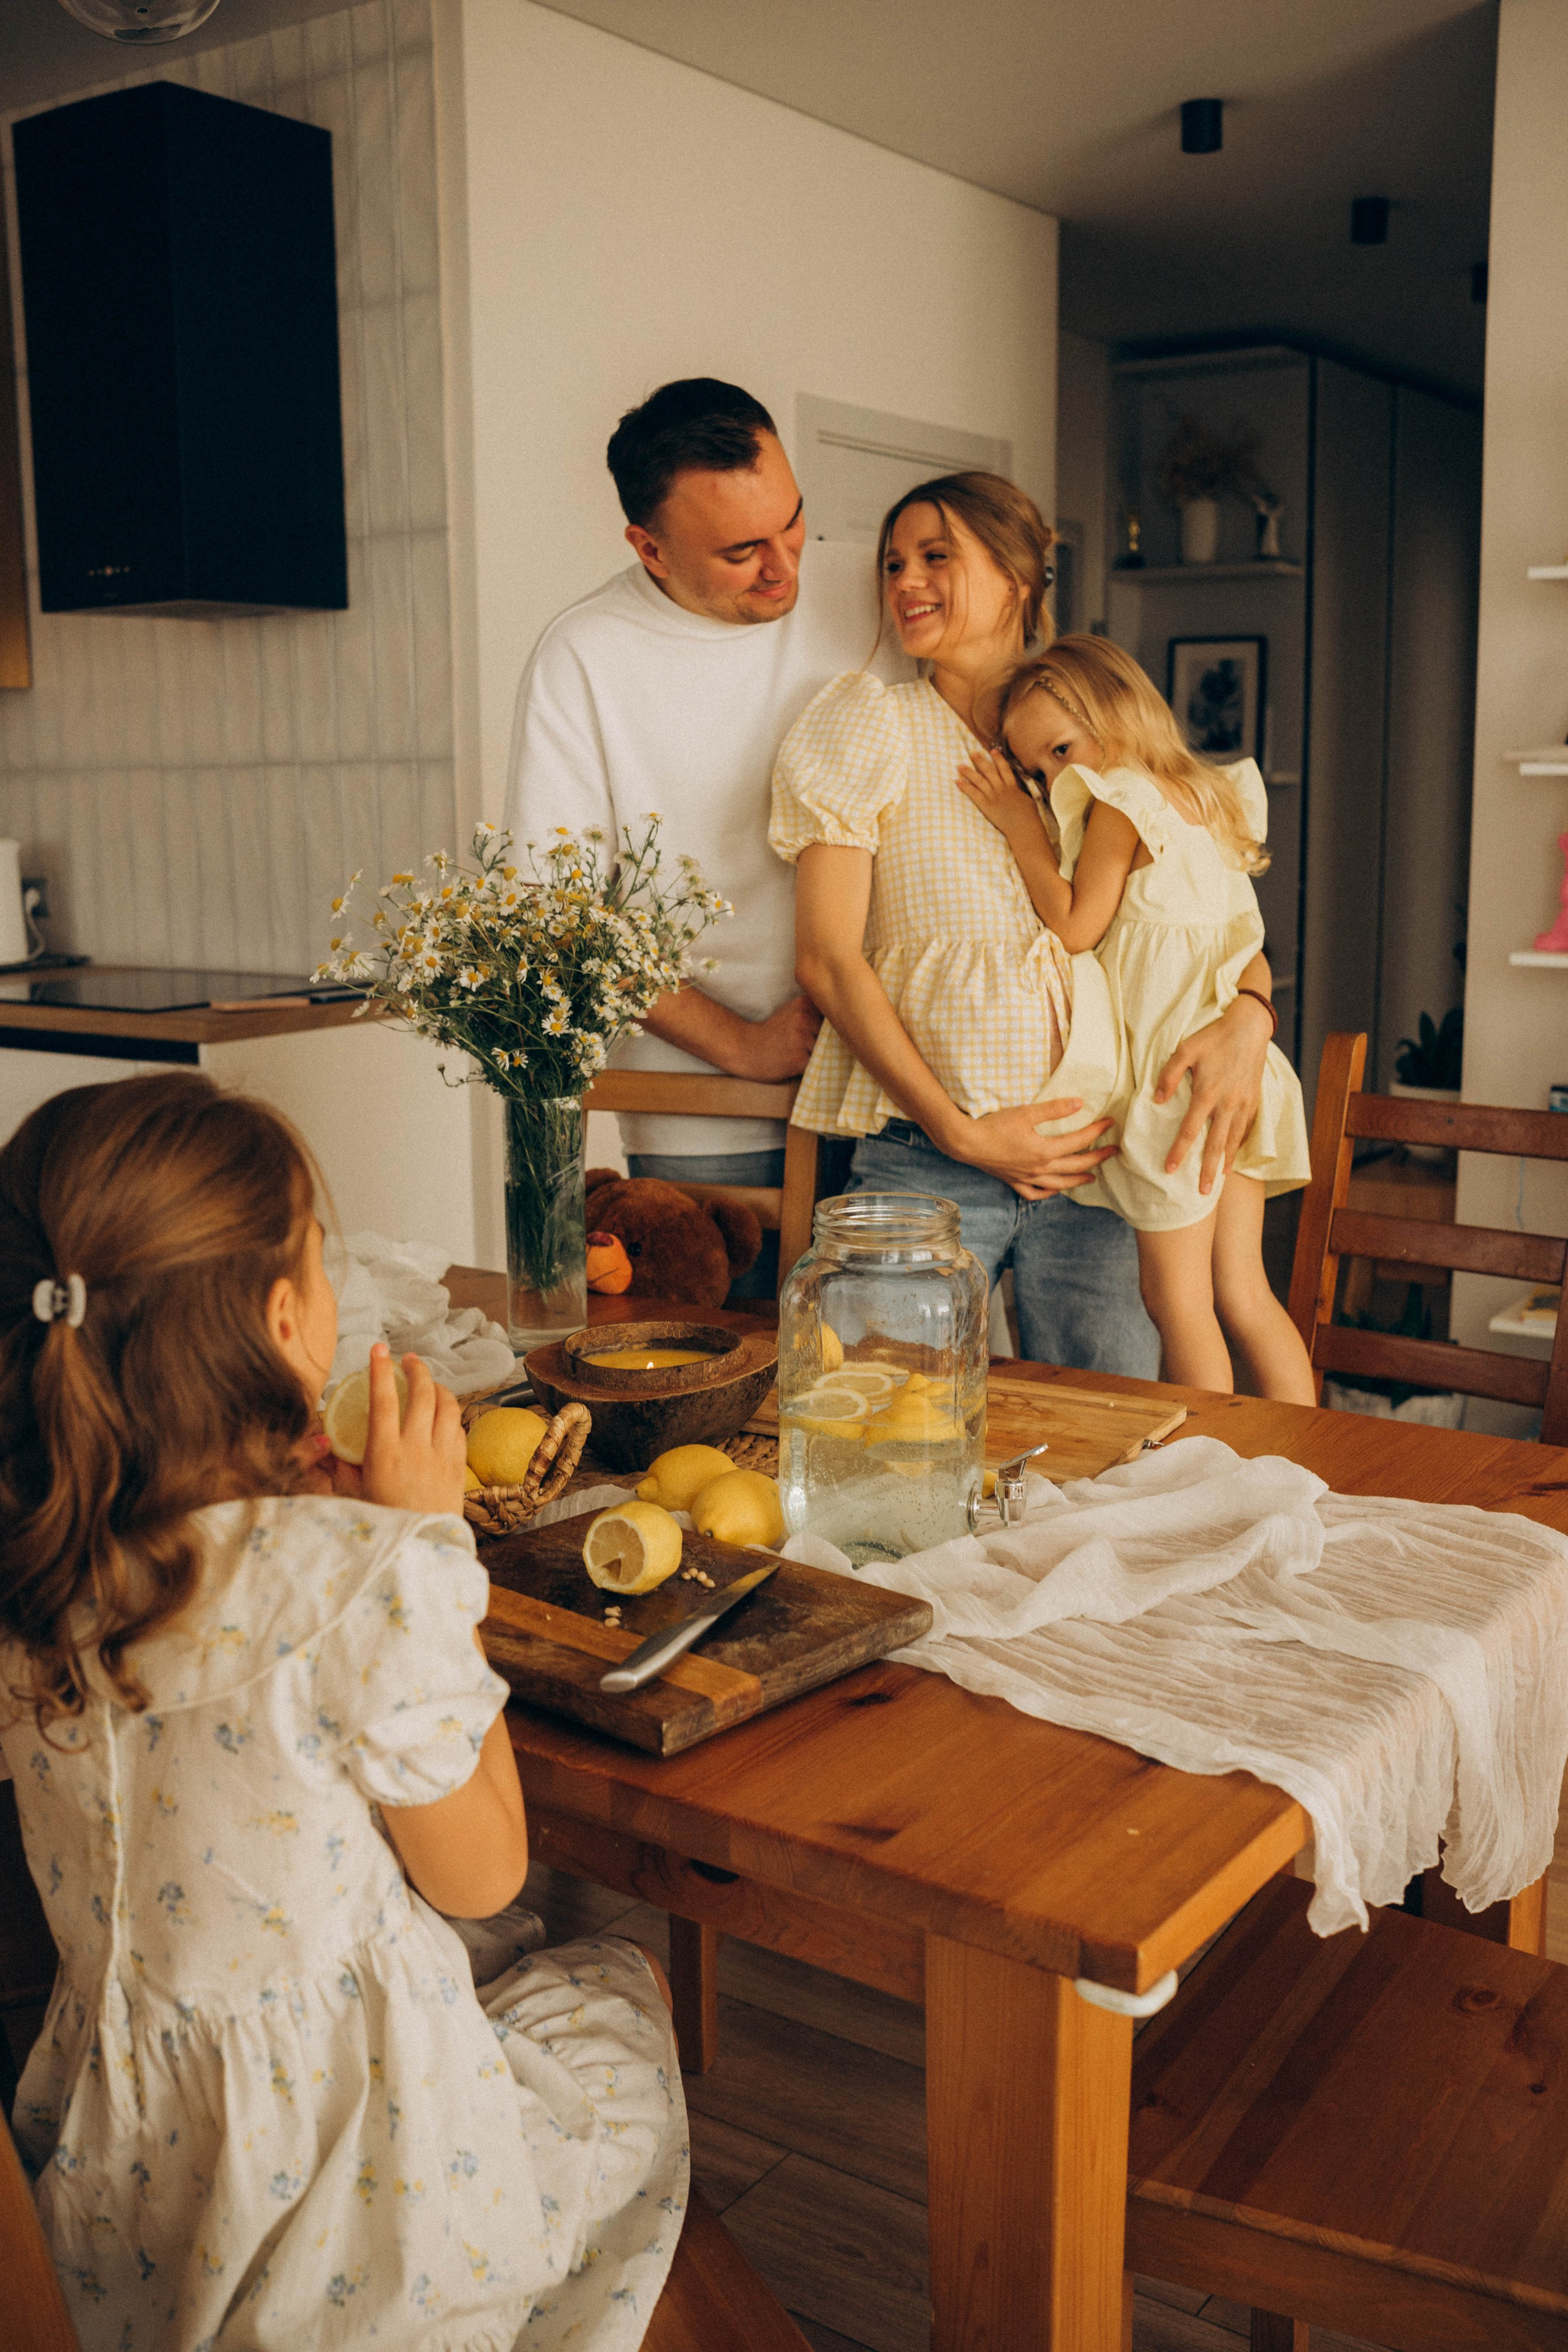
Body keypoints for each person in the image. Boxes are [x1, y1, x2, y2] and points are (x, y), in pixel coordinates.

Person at [0, 1072, 685, 2352]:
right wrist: (421, 1548)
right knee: (610, 2025)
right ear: (281, 1318)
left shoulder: (36, 1565)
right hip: (365, 2189)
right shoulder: (352, 1578)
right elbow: (483, 1876)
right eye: (328, 1260)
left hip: (119, 2173)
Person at [771, 472, 1280, 1375]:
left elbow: (1210, 920)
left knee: (1107, 1450)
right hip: (927, 1160)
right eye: (893, 563)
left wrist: (1252, 1016)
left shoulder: (1092, 727)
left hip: (1102, 1156)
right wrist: (962, 1134)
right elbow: (827, 960)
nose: (905, 583)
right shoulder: (871, 723)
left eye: (936, 557)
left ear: (1016, 579)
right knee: (884, 1434)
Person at [505, 377, 907, 1294]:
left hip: (904, 1089)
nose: (785, 569)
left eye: (793, 523)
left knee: (904, 1383)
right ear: (649, 547)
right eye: (740, 552)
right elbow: (558, 914)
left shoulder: (880, 585)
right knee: (732, 1387)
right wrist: (737, 1042)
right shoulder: (585, 655)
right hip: (712, 1111)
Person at [957, 632, 1315, 1400]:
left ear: (1116, 711)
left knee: (1176, 1302)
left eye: (1059, 750)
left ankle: (1218, 1467)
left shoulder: (1117, 803)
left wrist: (1022, 830)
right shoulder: (1210, 797)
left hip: (1177, 1083)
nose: (1054, 779)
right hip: (1249, 1076)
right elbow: (1239, 943)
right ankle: (1313, 1466)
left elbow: (1077, 928)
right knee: (1245, 1294)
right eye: (1036, 770)